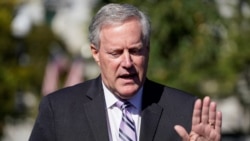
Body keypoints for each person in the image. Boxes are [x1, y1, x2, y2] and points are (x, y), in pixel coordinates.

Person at [29, 3, 222, 141]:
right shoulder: (59, 109)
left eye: (135, 51)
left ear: (147, 49)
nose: (127, 62)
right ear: (95, 53)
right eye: (116, 53)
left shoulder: (186, 110)